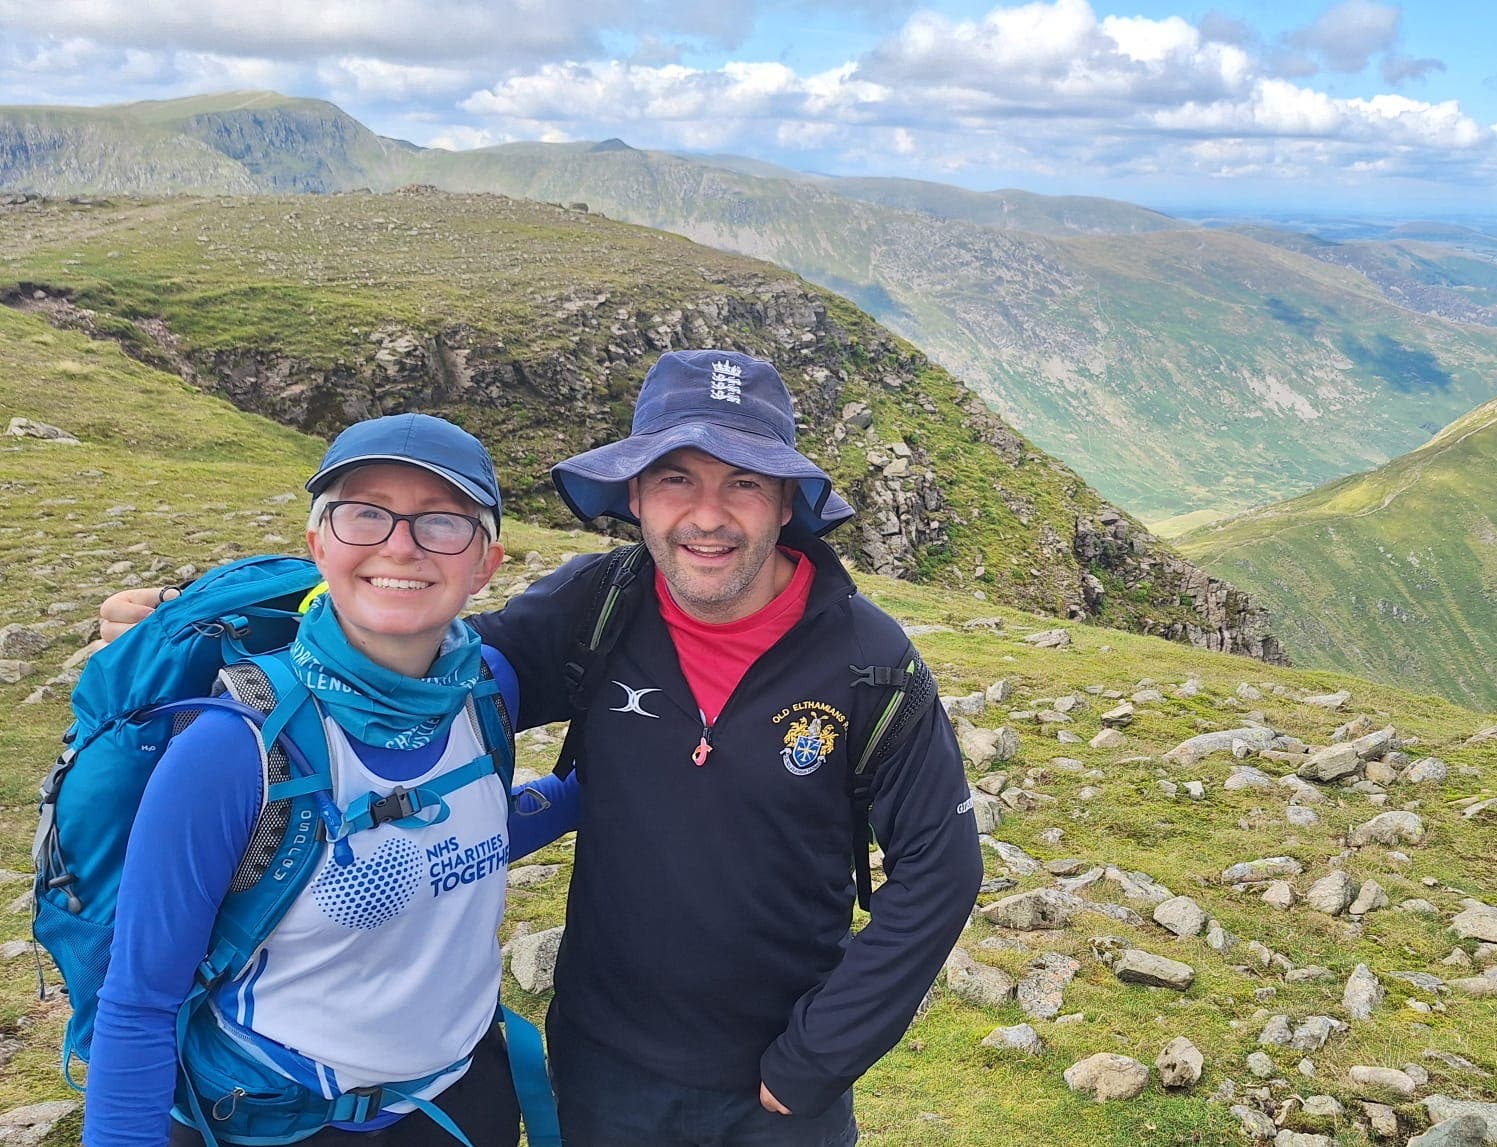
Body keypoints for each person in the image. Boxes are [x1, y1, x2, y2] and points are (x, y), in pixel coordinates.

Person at [101, 349, 984, 1147]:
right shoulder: (595, 609)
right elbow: (413, 648)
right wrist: (201, 628)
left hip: (783, 1084)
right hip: (602, 1062)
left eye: (744, 482)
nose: (707, 516)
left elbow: (940, 872)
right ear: (634, 494)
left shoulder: (869, 662)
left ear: (786, 502)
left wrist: (818, 1056)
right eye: (675, 479)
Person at [84, 413, 579, 1147]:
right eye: (363, 515)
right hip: (275, 1122)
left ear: (486, 563)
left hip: (458, 1101)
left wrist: (582, 796)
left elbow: (451, 836)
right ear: (320, 543)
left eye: (442, 522)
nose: (400, 544)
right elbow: (139, 1004)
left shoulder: (486, 692)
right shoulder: (234, 749)